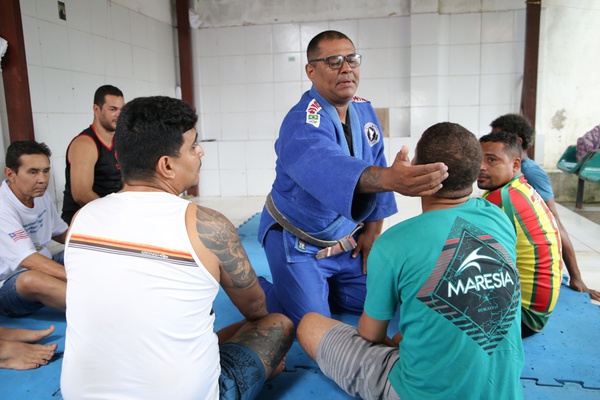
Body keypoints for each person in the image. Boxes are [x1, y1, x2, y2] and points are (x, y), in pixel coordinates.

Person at [61, 96, 294, 400]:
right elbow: (255, 309)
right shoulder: (208, 226)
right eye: (193, 146)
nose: (200, 152)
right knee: (277, 324)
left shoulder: (81, 219)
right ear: (166, 165)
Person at [297, 122, 524, 400]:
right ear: (475, 172)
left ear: (418, 170)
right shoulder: (498, 218)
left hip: (417, 392)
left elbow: (370, 334)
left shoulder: (394, 243)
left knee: (309, 323)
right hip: (503, 391)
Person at [258, 30, 448, 326]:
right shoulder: (301, 121)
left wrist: (372, 234)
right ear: (311, 70)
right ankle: (265, 290)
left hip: (346, 242)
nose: (346, 68)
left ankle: (320, 290)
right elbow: (327, 167)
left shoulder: (363, 108)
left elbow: (377, 164)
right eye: (333, 61)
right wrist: (391, 179)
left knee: (387, 302)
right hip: (298, 243)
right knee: (313, 326)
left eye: (352, 59)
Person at [490, 114, 600, 301]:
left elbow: (555, 223)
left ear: (517, 141)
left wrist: (576, 277)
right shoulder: (505, 170)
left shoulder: (531, 173)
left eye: (498, 138)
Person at [478, 131, 563, 336]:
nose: (481, 166)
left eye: (491, 160)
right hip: (540, 311)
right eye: (478, 159)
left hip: (523, 318)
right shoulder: (519, 188)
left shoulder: (500, 200)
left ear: (515, 165)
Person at [0, 141, 68, 317]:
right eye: (33, 172)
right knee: (33, 280)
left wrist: (94, 250)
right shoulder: (2, 207)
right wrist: (79, 278)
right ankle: (105, 308)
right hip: (10, 287)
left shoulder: (39, 194)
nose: (43, 179)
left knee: (80, 253)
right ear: (10, 174)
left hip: (43, 265)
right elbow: (29, 261)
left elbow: (61, 233)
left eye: (46, 170)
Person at [61, 84, 125, 225]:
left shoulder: (119, 142)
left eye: (122, 110)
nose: (119, 115)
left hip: (108, 216)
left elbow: (124, 181)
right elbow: (81, 194)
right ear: (96, 109)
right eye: (113, 109)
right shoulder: (85, 144)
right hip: (84, 220)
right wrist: (113, 213)